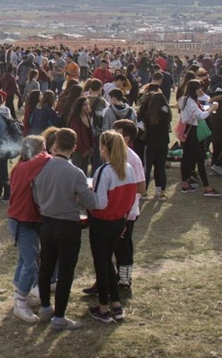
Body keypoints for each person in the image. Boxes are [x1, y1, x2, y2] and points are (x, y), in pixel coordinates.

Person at [32, 128, 98, 331]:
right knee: (66, 272)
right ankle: (59, 317)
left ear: (55, 145)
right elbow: (92, 203)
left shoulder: (41, 167)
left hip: (47, 222)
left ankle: (45, 307)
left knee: (46, 266)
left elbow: (35, 196)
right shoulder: (76, 173)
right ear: (74, 148)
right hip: (68, 225)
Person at [86, 131, 137, 323]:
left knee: (101, 263)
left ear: (104, 148)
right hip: (119, 220)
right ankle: (115, 303)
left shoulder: (104, 171)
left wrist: (86, 195)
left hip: (102, 222)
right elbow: (131, 198)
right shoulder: (128, 168)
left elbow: (99, 203)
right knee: (107, 261)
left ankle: (104, 307)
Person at [7, 135, 51, 323]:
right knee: (31, 263)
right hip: (21, 221)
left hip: (22, 220)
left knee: (24, 260)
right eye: (44, 147)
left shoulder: (21, 167)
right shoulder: (26, 168)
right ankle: (20, 303)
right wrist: (52, 153)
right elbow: (45, 158)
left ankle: (20, 294)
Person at [110, 120, 145, 294]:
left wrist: (123, 200)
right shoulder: (111, 153)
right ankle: (110, 279)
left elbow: (141, 187)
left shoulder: (132, 159)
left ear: (126, 138)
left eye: (116, 133)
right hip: (112, 211)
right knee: (110, 248)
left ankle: (125, 280)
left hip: (126, 213)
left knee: (123, 248)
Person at [178, 79, 221, 196]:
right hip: (192, 131)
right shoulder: (190, 102)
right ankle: (208, 188)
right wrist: (211, 109)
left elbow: (199, 110)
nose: (200, 90)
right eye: (199, 88)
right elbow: (199, 115)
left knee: (186, 158)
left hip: (188, 130)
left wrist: (208, 108)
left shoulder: (184, 99)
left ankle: (185, 184)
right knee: (200, 159)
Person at [140, 91, 171, 200]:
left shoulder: (149, 114)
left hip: (150, 142)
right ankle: (161, 191)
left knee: (147, 168)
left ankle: (144, 192)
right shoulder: (167, 113)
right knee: (160, 167)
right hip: (163, 143)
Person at [0, 92, 18, 202]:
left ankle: (7, 195)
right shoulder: (6, 111)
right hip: (8, 144)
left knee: (1, 170)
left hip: (0, 146)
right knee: (0, 169)